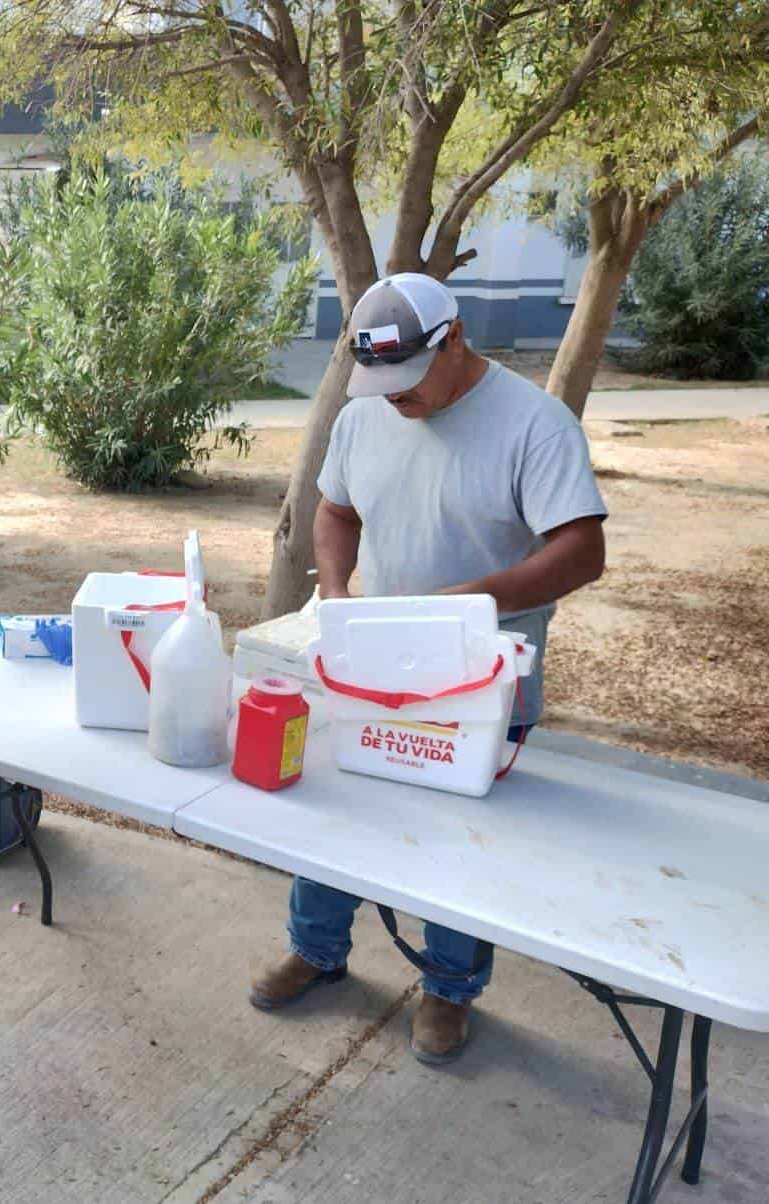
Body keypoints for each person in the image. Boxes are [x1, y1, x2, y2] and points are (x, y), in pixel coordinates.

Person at [248, 273, 608, 1064]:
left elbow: (584, 551)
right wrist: (338, 592)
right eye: (379, 383)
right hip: (376, 659)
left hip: (483, 677)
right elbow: (336, 510)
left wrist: (472, 598)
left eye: (407, 380)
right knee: (341, 806)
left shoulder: (534, 426)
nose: (394, 399)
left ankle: (449, 987)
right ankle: (317, 948)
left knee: (461, 836)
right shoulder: (363, 417)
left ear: (454, 340)